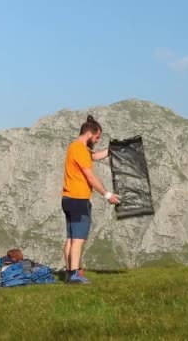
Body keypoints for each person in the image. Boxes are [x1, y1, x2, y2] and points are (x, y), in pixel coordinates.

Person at [61, 115, 120, 284]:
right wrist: (107, 195)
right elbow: (90, 177)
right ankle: (74, 275)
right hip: (79, 199)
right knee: (78, 239)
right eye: (97, 137)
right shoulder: (80, 149)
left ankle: (68, 273)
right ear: (89, 134)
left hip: (67, 198)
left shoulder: (76, 148)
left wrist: (113, 149)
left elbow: (94, 157)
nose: (97, 140)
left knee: (71, 239)